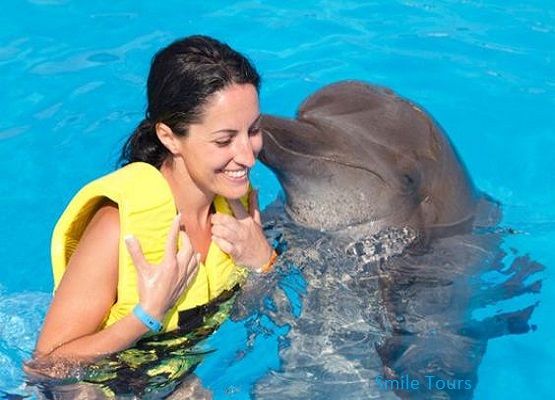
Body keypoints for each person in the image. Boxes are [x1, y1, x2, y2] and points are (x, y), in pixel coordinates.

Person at [31, 35, 276, 369]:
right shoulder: (117, 227)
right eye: (224, 140)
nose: (247, 157)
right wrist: (146, 315)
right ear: (169, 137)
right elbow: (47, 364)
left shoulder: (237, 210)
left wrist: (263, 261)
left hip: (178, 375)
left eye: (253, 131)